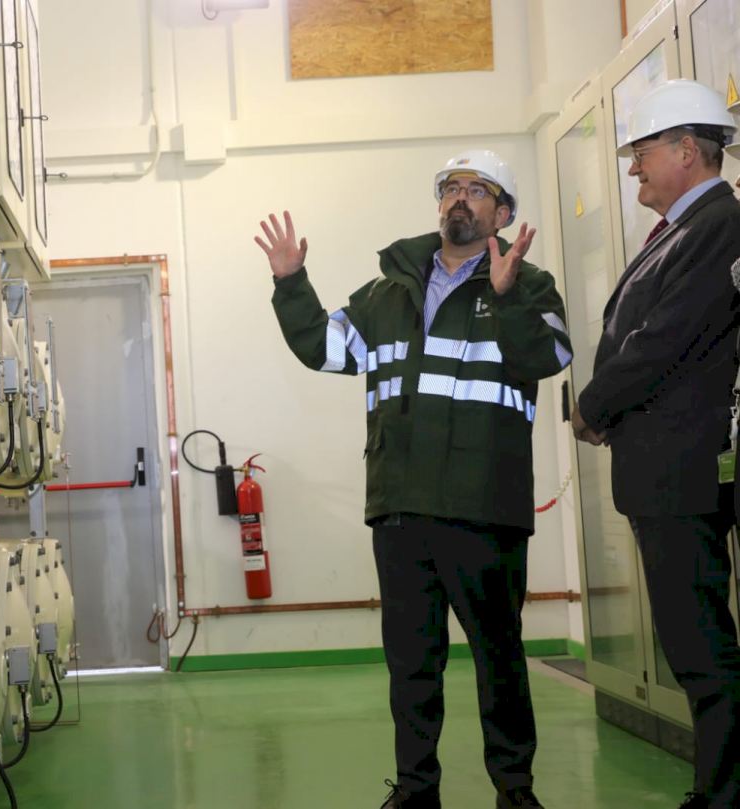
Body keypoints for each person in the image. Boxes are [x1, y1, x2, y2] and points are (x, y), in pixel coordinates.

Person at [256, 150, 571, 809]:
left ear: (503, 214)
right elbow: (325, 347)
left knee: (499, 658)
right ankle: (416, 787)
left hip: (485, 507)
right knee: (411, 665)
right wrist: (291, 282)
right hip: (400, 507)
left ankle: (514, 788)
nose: (460, 198)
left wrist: (508, 297)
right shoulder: (388, 292)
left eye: (477, 190)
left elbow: (547, 355)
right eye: (451, 187)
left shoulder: (529, 284)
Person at [572, 79, 740, 809]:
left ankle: (722, 792)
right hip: (669, 464)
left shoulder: (717, 224)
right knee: (695, 641)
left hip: (683, 467)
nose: (634, 167)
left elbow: (661, 339)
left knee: (700, 645)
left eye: (642, 152)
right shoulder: (686, 228)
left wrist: (592, 404)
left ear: (686, 150)